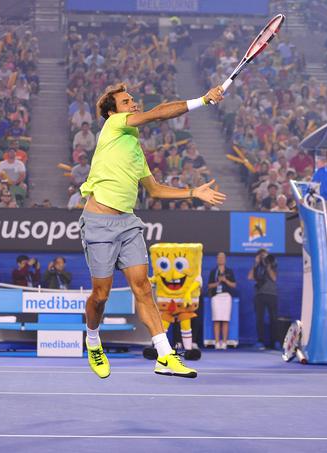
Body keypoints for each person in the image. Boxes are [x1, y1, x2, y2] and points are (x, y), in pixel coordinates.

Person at [78, 82, 226, 379]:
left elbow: (155, 189)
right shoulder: (113, 127)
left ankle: (165, 356)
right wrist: (204, 100)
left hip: (128, 223)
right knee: (100, 295)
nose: (133, 104)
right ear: (112, 113)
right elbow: (159, 113)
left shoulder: (134, 150)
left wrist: (192, 193)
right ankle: (93, 340)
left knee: (144, 287)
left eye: (133, 99)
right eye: (125, 102)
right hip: (98, 223)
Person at [248, 249, 279, 350]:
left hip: (271, 294)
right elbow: (250, 277)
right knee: (259, 319)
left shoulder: (272, 263)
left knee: (273, 318)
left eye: (265, 255)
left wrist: (268, 266)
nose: (263, 258)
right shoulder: (257, 267)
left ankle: (274, 342)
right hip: (259, 294)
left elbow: (274, 279)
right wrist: (256, 264)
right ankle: (260, 342)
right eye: (261, 256)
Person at [206, 252, 237, 350]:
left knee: (225, 319)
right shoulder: (213, 271)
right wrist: (218, 282)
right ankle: (216, 342)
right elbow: (209, 285)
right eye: (219, 257)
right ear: (216, 259)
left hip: (226, 296)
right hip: (216, 297)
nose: (221, 259)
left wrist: (225, 280)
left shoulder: (229, 271)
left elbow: (233, 285)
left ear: (225, 259)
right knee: (216, 319)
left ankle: (224, 342)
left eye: (222, 257)